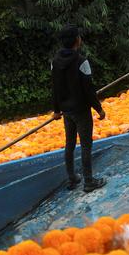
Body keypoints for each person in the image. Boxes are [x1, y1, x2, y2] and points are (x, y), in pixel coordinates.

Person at [51, 25, 107, 193]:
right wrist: (99, 109)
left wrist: (56, 110)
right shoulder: (82, 61)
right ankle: (89, 181)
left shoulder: (55, 62)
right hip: (81, 110)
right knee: (85, 145)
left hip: (66, 111)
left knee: (69, 144)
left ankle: (72, 178)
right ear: (77, 40)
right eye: (79, 36)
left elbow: (55, 88)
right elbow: (89, 90)